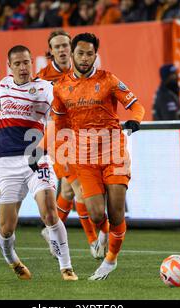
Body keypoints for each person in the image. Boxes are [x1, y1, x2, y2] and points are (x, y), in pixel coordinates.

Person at [48, 33, 145, 280]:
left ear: (95, 54)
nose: (84, 58)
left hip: (114, 152)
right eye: (80, 53)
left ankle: (110, 261)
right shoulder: (60, 88)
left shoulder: (109, 80)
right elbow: (60, 125)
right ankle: (100, 234)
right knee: (96, 215)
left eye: (89, 53)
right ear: (71, 54)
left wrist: (135, 120)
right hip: (83, 156)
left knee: (116, 213)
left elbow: (136, 105)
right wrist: (62, 153)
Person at [0, 45, 78, 281]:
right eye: (18, 64)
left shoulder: (45, 89)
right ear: (10, 66)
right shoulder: (4, 86)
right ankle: (12, 260)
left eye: (27, 62)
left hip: (36, 156)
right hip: (7, 161)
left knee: (49, 211)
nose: (23, 67)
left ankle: (66, 267)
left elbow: (61, 107)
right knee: (6, 228)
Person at [36, 29, 110, 260]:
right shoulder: (42, 78)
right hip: (59, 138)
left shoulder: (82, 71)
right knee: (78, 188)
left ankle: (51, 231)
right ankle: (96, 240)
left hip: (81, 138)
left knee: (68, 189)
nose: (62, 50)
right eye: (56, 47)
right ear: (51, 51)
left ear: (72, 48)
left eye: (65, 46)